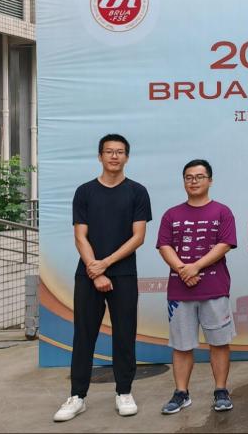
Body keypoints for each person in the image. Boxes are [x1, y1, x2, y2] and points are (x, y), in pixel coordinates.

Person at [54, 134, 151, 422]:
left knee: (124, 334)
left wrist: (105, 265)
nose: (114, 156)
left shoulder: (137, 192)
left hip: (123, 273)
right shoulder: (85, 192)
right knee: (84, 335)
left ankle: (124, 392)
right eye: (109, 151)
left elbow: (138, 237)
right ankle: (77, 396)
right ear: (100, 156)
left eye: (120, 152)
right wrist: (94, 270)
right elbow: (80, 236)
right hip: (88, 275)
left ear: (127, 157)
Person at [157, 159, 238, 415]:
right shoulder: (171, 214)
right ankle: (181, 393)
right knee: (181, 345)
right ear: (184, 182)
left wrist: (196, 267)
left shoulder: (222, 212)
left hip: (215, 289)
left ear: (210, 180)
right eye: (189, 177)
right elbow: (164, 246)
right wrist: (183, 269)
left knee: (219, 343)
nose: (194, 181)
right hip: (179, 292)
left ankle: (221, 390)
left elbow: (224, 244)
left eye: (199, 177)